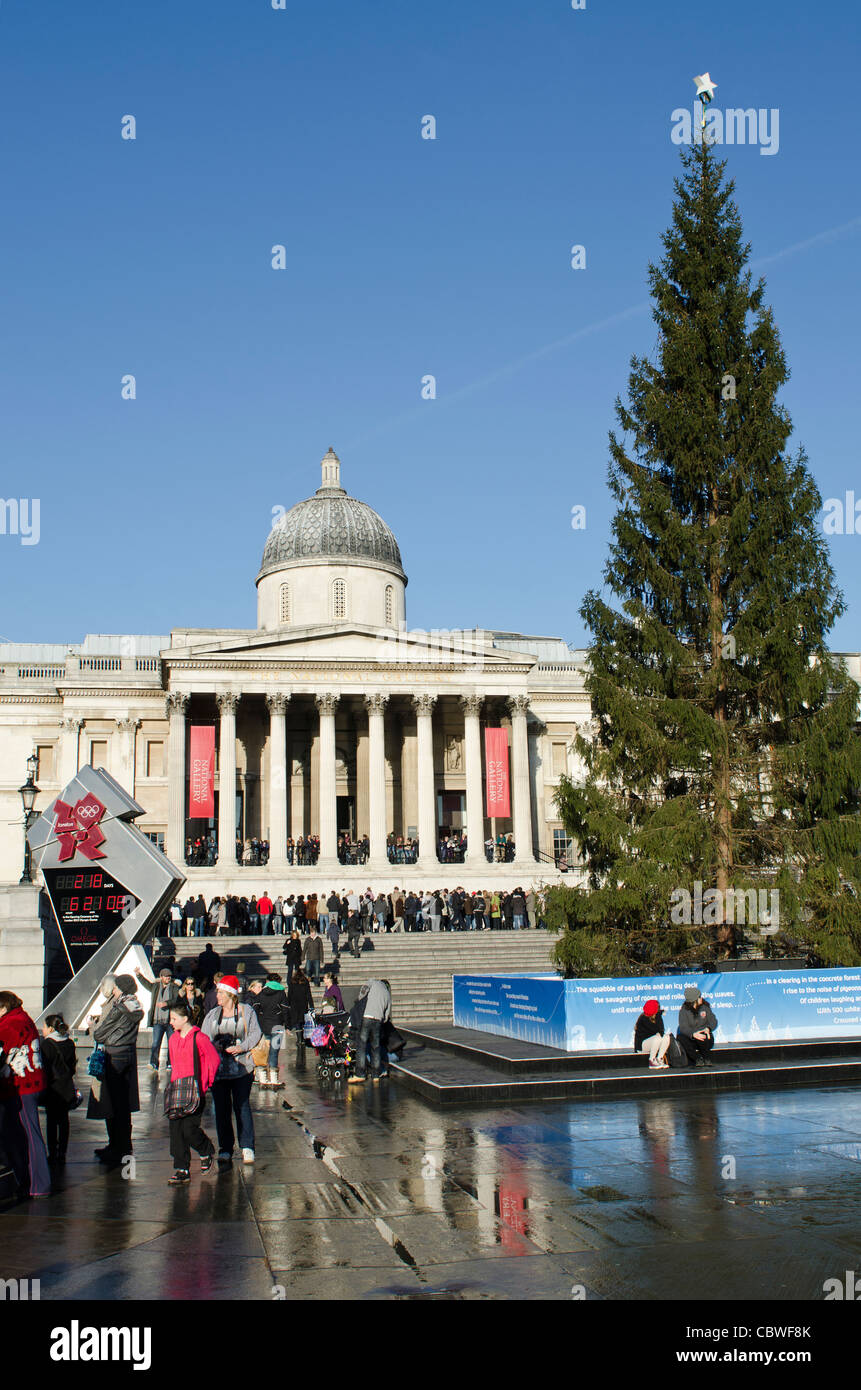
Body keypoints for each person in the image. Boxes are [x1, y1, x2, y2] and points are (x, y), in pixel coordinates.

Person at [201, 974, 262, 1166]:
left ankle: (247, 1146)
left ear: (230, 994)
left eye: (220, 992)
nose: (217, 995)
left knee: (242, 1106)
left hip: (242, 1068)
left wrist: (241, 1047)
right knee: (221, 1110)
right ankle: (225, 1148)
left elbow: (255, 1033)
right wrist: (215, 1047)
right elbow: (204, 1038)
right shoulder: (212, 1014)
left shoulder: (246, 1011)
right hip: (219, 1070)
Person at [86, 974, 144, 1165]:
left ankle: (117, 1148)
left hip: (114, 1054)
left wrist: (94, 1027)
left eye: (117, 987)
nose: (115, 990)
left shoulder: (119, 1006)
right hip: (128, 1052)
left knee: (113, 1103)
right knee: (123, 1104)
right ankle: (124, 1145)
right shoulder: (135, 1004)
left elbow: (100, 1035)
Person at [0, 991, 51, 1198]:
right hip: (33, 1082)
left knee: (30, 1135)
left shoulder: (9, 1024)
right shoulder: (24, 1018)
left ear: (3, 1007)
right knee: (24, 1134)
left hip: (23, 1085)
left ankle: (39, 1184)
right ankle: (30, 1180)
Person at [165, 999, 220, 1185]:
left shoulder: (200, 1038)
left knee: (189, 1129)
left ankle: (206, 1150)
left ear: (185, 1018)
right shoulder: (173, 1039)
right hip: (177, 1089)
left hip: (195, 1090)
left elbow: (213, 1060)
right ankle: (181, 1168)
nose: (171, 1022)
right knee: (175, 1131)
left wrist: (205, 1083)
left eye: (174, 1018)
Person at [39, 1014, 77, 1165]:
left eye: (44, 1026)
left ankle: (52, 1153)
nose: (42, 1029)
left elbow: (45, 1068)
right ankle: (62, 1152)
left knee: (52, 1121)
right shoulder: (69, 1042)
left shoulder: (47, 1044)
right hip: (66, 1086)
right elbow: (72, 1065)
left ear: (50, 1028)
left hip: (53, 1087)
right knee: (64, 1120)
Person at [136, 965, 180, 1071]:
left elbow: (175, 1000)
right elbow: (147, 984)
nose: (168, 978)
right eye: (165, 976)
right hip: (158, 1020)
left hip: (170, 1020)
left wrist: (166, 1003)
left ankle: (170, 1063)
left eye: (169, 976)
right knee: (156, 1043)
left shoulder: (174, 987)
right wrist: (138, 975)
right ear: (161, 977)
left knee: (171, 1043)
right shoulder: (156, 986)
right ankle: (154, 1063)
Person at [249, 974, 289, 1089]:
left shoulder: (261, 993)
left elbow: (255, 1009)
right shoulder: (281, 993)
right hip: (277, 1026)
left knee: (262, 1051)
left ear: (267, 981)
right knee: (274, 1051)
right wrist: (288, 1025)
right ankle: (274, 1079)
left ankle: (263, 1078)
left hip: (263, 1026)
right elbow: (285, 1010)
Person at [349, 978, 392, 1084]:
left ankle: (360, 1074)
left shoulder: (373, 982)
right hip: (378, 1019)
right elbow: (387, 1016)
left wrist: (359, 999)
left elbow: (364, 990)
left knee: (361, 1045)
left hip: (367, 1016)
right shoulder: (387, 993)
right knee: (375, 1047)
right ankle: (376, 1075)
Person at [677, 988, 718, 1067]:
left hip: (705, 1038)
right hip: (692, 1038)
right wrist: (693, 1034)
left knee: (702, 1035)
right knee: (680, 1037)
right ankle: (697, 1058)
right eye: (699, 997)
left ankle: (706, 1058)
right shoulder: (684, 1010)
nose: (701, 998)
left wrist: (708, 1029)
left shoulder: (705, 1007)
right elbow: (683, 1027)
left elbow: (713, 1021)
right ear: (694, 1000)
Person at [633, 999, 672, 1068]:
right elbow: (654, 1030)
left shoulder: (657, 1017)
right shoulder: (643, 1018)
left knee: (666, 1036)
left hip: (653, 1041)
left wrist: (659, 1016)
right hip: (642, 1045)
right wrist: (659, 1015)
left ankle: (659, 1058)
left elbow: (661, 1031)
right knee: (658, 1037)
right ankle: (652, 1060)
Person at [287, 967, 314, 1061]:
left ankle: (299, 1039)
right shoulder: (305, 982)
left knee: (297, 1022)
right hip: (303, 1004)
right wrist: (311, 1005)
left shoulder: (292, 982)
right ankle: (302, 1038)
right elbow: (308, 994)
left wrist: (288, 1003)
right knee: (302, 1021)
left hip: (294, 1005)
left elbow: (289, 994)